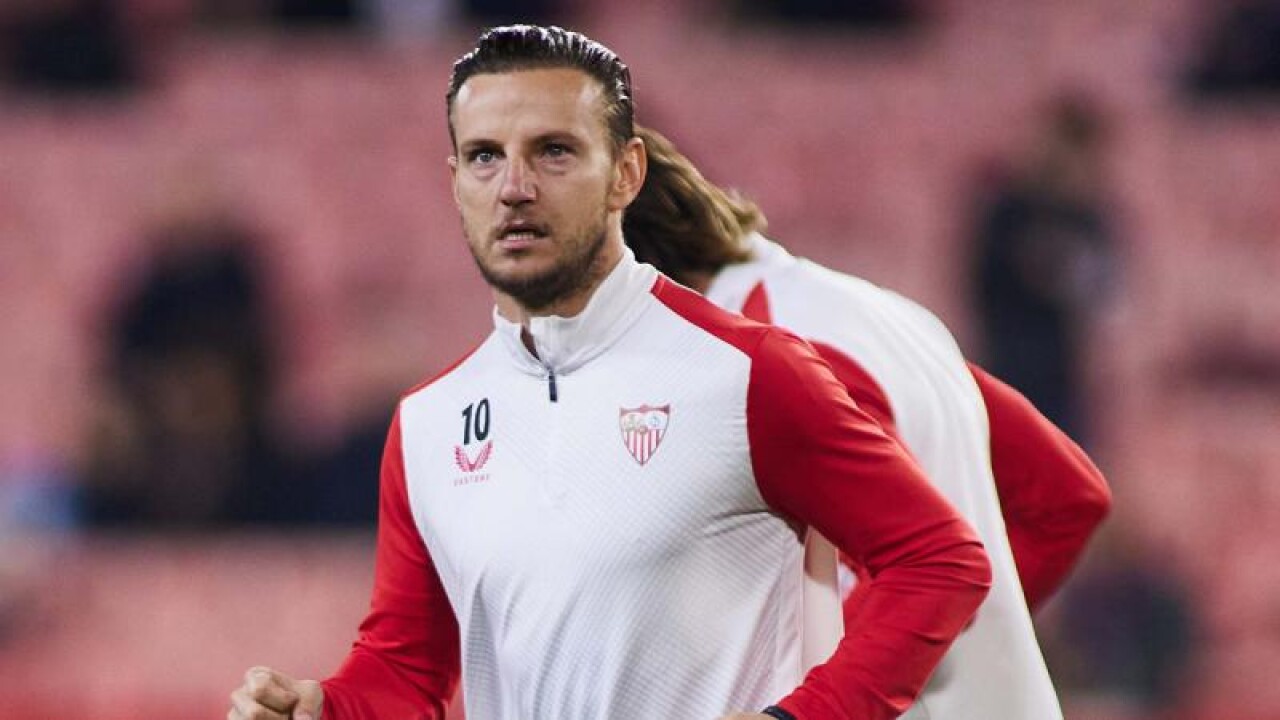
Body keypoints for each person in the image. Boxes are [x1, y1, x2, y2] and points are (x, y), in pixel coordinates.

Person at [229, 24, 992, 720]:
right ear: (455, 180)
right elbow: (405, 669)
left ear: (627, 174)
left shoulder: (750, 373)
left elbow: (938, 560)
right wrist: (325, 708)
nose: (515, 186)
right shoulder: (429, 422)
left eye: (554, 151)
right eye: (486, 156)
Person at [622, 125, 1113, 719]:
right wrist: (963, 647)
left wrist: (806, 703)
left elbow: (928, 569)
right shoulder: (870, 313)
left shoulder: (775, 355)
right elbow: (1068, 494)